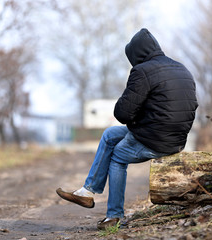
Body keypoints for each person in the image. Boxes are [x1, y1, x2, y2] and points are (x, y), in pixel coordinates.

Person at [56, 28, 198, 230]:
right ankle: (87, 192)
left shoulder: (142, 71)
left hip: (155, 140)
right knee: (110, 135)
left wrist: (136, 117)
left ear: (136, 54)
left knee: (118, 155)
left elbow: (122, 113)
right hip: (175, 138)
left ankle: (114, 216)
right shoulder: (181, 68)